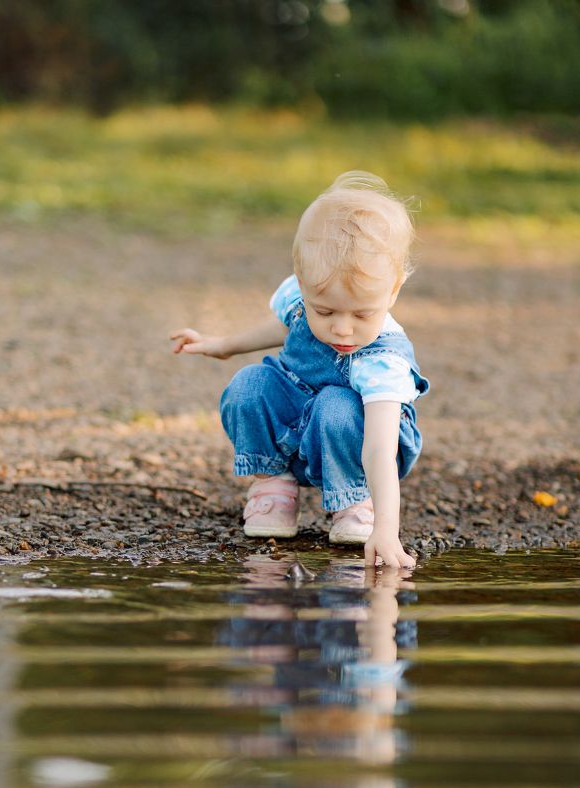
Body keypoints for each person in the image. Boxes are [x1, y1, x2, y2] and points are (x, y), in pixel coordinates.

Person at [170, 171, 429, 568]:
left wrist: (387, 530)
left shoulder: (383, 360)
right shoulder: (303, 296)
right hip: (298, 429)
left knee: (335, 405)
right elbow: (284, 324)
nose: (342, 328)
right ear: (304, 287)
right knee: (250, 383)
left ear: (392, 291)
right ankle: (273, 485)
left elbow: (379, 448)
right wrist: (222, 346)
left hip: (356, 443)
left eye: (362, 313)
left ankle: (355, 502)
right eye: (323, 311)